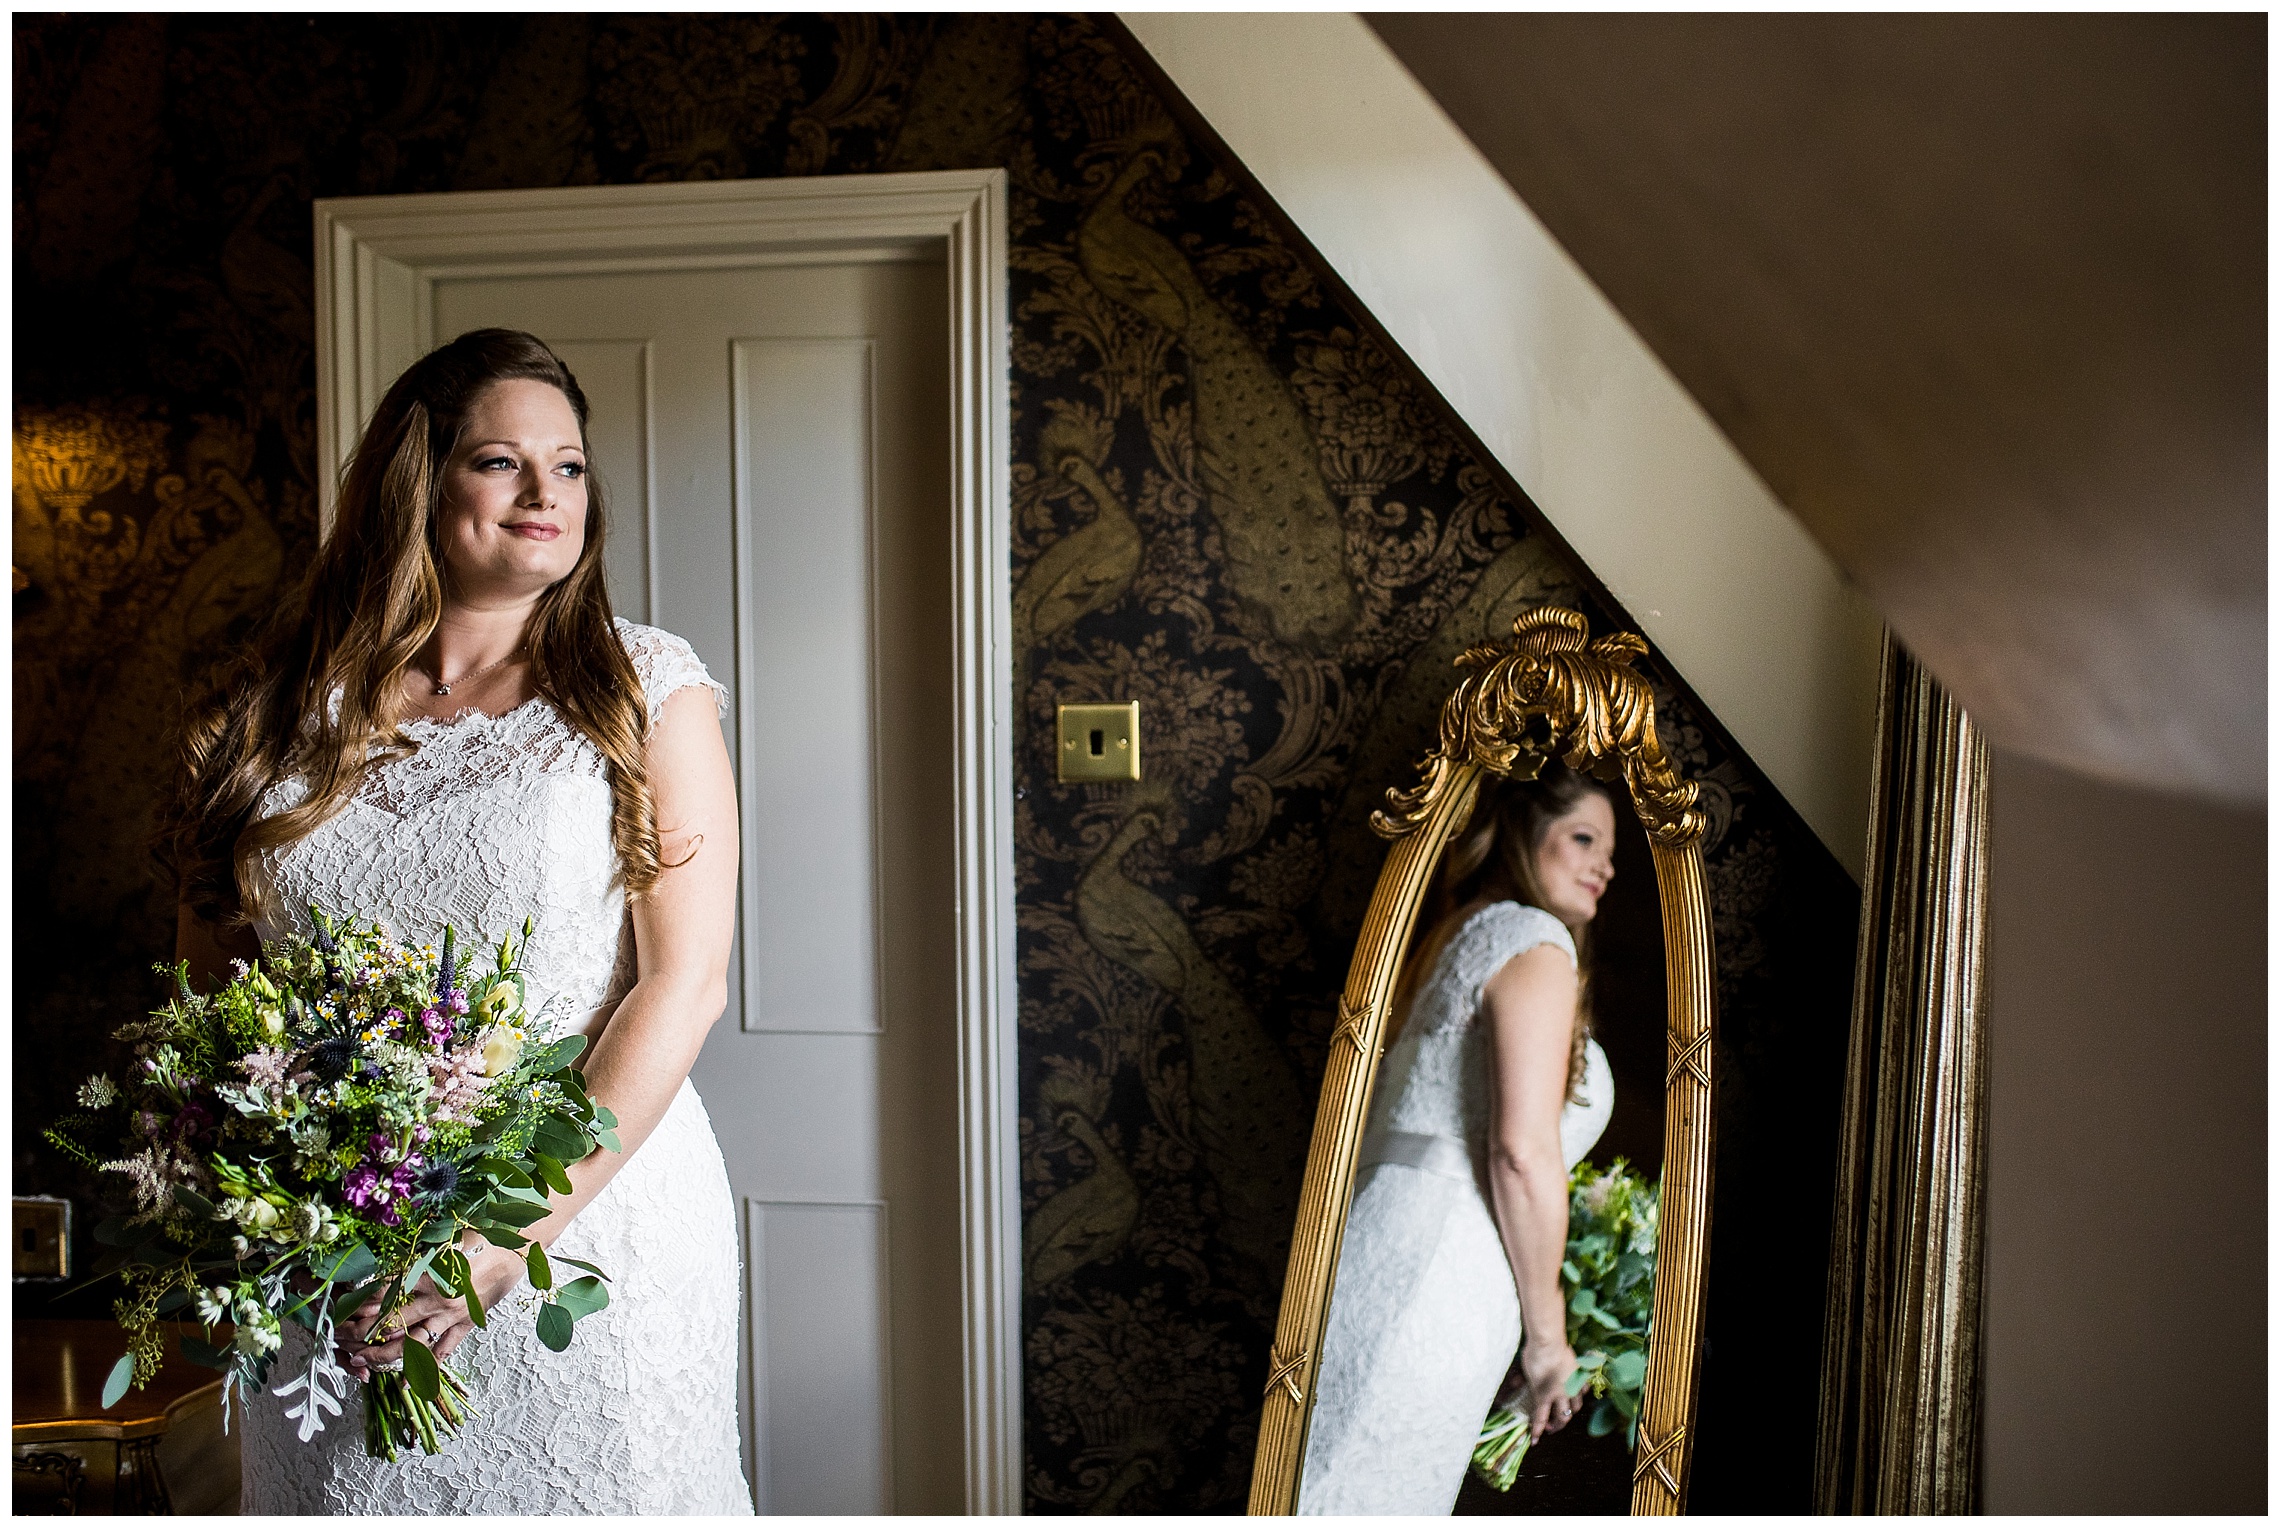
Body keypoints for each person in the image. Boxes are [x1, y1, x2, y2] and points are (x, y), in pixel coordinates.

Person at [162, 329, 752, 1514]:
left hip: (583, 1228)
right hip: (330, 1246)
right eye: (502, 461)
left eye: (571, 466)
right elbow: (215, 991)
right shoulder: (277, 710)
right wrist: (271, 1189)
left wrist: (488, 1248)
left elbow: (680, 986)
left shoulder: (647, 689)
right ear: (419, 484)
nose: (547, 494)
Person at [1296, 763, 1620, 1515]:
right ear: (1523, 833)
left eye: (1610, 851)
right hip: (1435, 1283)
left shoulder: (1459, 933)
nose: (1604, 865)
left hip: (1377, 1252)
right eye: (1583, 839)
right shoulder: (1536, 942)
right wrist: (1548, 1342)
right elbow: (1521, 1152)